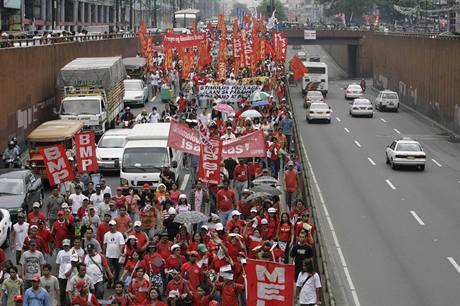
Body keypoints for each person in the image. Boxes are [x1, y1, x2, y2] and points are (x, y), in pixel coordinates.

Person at [103, 220, 125, 288]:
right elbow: (105, 244)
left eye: (113, 225)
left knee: (117, 270)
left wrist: (120, 253)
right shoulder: (106, 234)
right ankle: (109, 282)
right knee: (109, 269)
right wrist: (104, 253)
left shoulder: (119, 234)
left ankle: (115, 283)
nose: (112, 227)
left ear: (116, 226)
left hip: (117, 256)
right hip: (109, 255)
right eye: (111, 225)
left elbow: (122, 244)